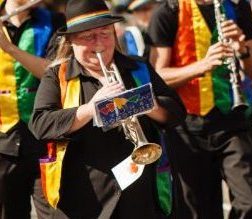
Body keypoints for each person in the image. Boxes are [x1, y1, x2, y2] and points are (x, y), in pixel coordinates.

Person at [28, 0, 186, 218]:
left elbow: (177, 112)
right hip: (85, 194)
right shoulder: (58, 76)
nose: (99, 43)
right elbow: (40, 124)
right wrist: (90, 109)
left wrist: (144, 104)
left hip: (139, 193)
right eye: (88, 37)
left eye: (105, 33)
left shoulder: (138, 67)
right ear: (72, 41)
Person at [148, 0, 252, 218]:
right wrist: (201, 66)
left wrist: (243, 49)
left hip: (235, 121)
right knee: (197, 210)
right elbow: (157, 75)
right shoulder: (168, 11)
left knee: (250, 204)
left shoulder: (238, 7)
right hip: (187, 127)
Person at [0, 0, 65, 218]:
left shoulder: (54, 21)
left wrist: (9, 48)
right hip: (3, 141)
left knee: (54, 212)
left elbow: (57, 72)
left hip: (44, 137)